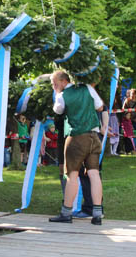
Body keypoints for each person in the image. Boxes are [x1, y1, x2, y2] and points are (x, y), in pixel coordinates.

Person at [49, 71, 104, 225]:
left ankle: (66, 212)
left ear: (62, 81)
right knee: (94, 174)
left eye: (54, 84)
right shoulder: (87, 88)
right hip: (94, 137)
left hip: (76, 138)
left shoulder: (62, 95)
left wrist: (58, 94)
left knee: (72, 176)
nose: (53, 87)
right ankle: (97, 213)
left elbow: (57, 110)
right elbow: (99, 107)